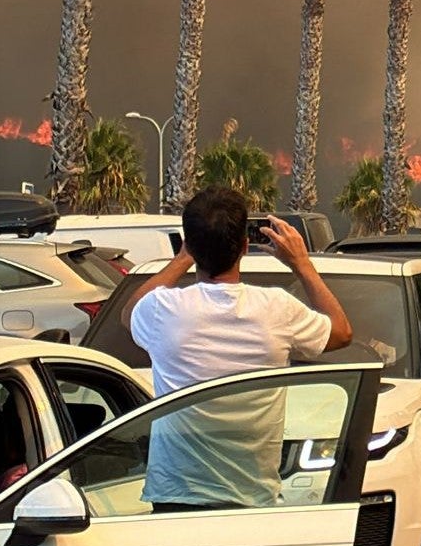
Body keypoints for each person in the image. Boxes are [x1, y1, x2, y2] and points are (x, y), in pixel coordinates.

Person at [122, 185, 352, 510]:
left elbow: (129, 312)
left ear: (189, 243)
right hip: (252, 501)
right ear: (245, 246)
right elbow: (341, 332)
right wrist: (301, 264)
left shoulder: (164, 310)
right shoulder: (277, 308)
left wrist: (185, 255)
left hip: (175, 498)